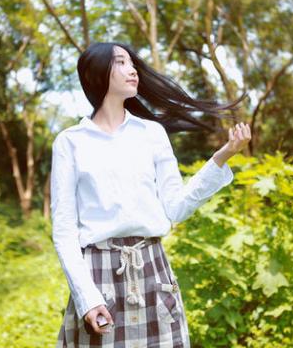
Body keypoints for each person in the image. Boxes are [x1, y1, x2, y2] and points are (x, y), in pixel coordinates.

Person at [51, 42, 251, 347]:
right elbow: (64, 232)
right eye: (120, 63)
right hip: (98, 275)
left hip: (152, 271)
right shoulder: (70, 142)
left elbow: (176, 208)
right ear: (96, 74)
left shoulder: (151, 134)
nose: (132, 70)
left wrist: (222, 156)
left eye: (132, 63)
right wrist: (87, 299)